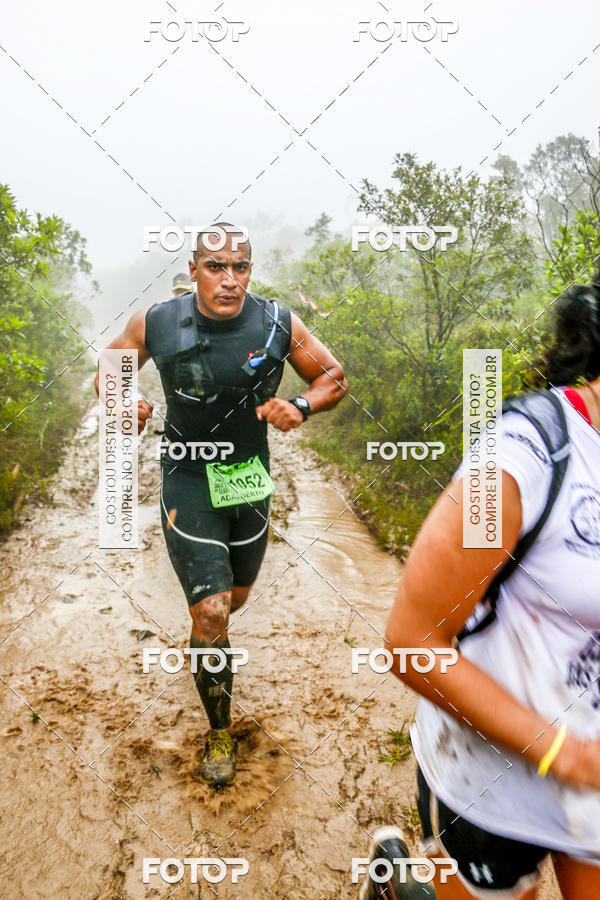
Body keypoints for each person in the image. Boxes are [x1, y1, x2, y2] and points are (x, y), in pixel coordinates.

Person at [361, 279, 600, 899]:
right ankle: (396, 884)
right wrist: (564, 755)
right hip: (494, 782)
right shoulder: (521, 454)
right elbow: (413, 643)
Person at [95, 223, 347, 786]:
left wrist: (301, 406)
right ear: (193, 272)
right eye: (216, 267)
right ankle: (219, 730)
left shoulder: (278, 322)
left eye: (240, 267)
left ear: (250, 271)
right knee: (210, 613)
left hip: (249, 481)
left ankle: (208, 642)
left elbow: (333, 376)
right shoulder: (157, 322)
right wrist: (123, 401)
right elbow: (109, 373)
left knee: (231, 601)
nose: (229, 279)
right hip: (187, 477)